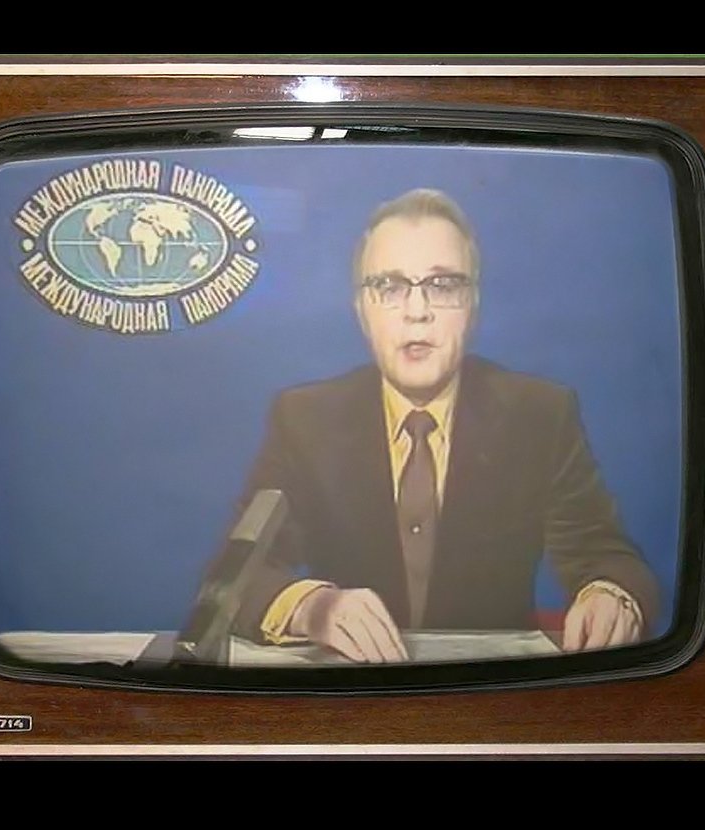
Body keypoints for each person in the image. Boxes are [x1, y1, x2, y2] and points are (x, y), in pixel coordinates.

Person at [220, 188, 658, 663]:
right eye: (389, 286)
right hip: (354, 692)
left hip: (490, 696)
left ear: (472, 304)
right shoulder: (304, 419)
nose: (417, 311)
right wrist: (312, 608)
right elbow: (234, 577)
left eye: (443, 285)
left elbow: (605, 554)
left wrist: (611, 595)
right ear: (362, 310)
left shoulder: (540, 415)